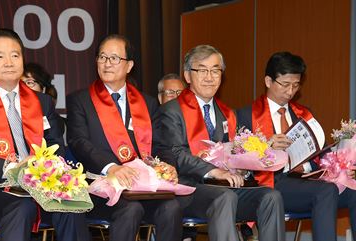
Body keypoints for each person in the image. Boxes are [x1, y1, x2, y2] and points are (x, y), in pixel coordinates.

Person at [0, 28, 90, 241]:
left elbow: (56, 145)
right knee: (23, 205)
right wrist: (16, 169)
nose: (9, 62)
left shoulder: (42, 102)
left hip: (40, 187)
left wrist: (42, 169)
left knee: (71, 205)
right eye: (0, 56)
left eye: (15, 55)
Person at [154, 44, 285, 241]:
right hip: (187, 190)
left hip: (225, 187)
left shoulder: (228, 113)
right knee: (225, 197)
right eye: (202, 70)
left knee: (270, 197)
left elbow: (236, 151)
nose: (209, 77)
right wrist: (214, 171)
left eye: (215, 70)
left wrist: (244, 168)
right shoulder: (171, 111)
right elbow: (175, 154)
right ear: (188, 76)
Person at [67, 34, 182, 241]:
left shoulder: (147, 103)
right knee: (131, 209)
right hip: (102, 187)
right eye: (102, 57)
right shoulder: (80, 100)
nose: (106, 64)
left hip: (143, 188)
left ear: (129, 66)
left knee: (171, 207)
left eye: (114, 58)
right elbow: (78, 143)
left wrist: (168, 166)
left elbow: (159, 145)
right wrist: (112, 167)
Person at [236, 51, 356, 241]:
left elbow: (321, 150)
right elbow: (238, 157)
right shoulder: (245, 115)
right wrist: (267, 145)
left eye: (295, 85)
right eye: (285, 84)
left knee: (353, 191)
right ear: (268, 81)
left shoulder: (303, 113)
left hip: (309, 179)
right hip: (275, 183)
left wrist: (341, 166)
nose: (290, 91)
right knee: (326, 191)